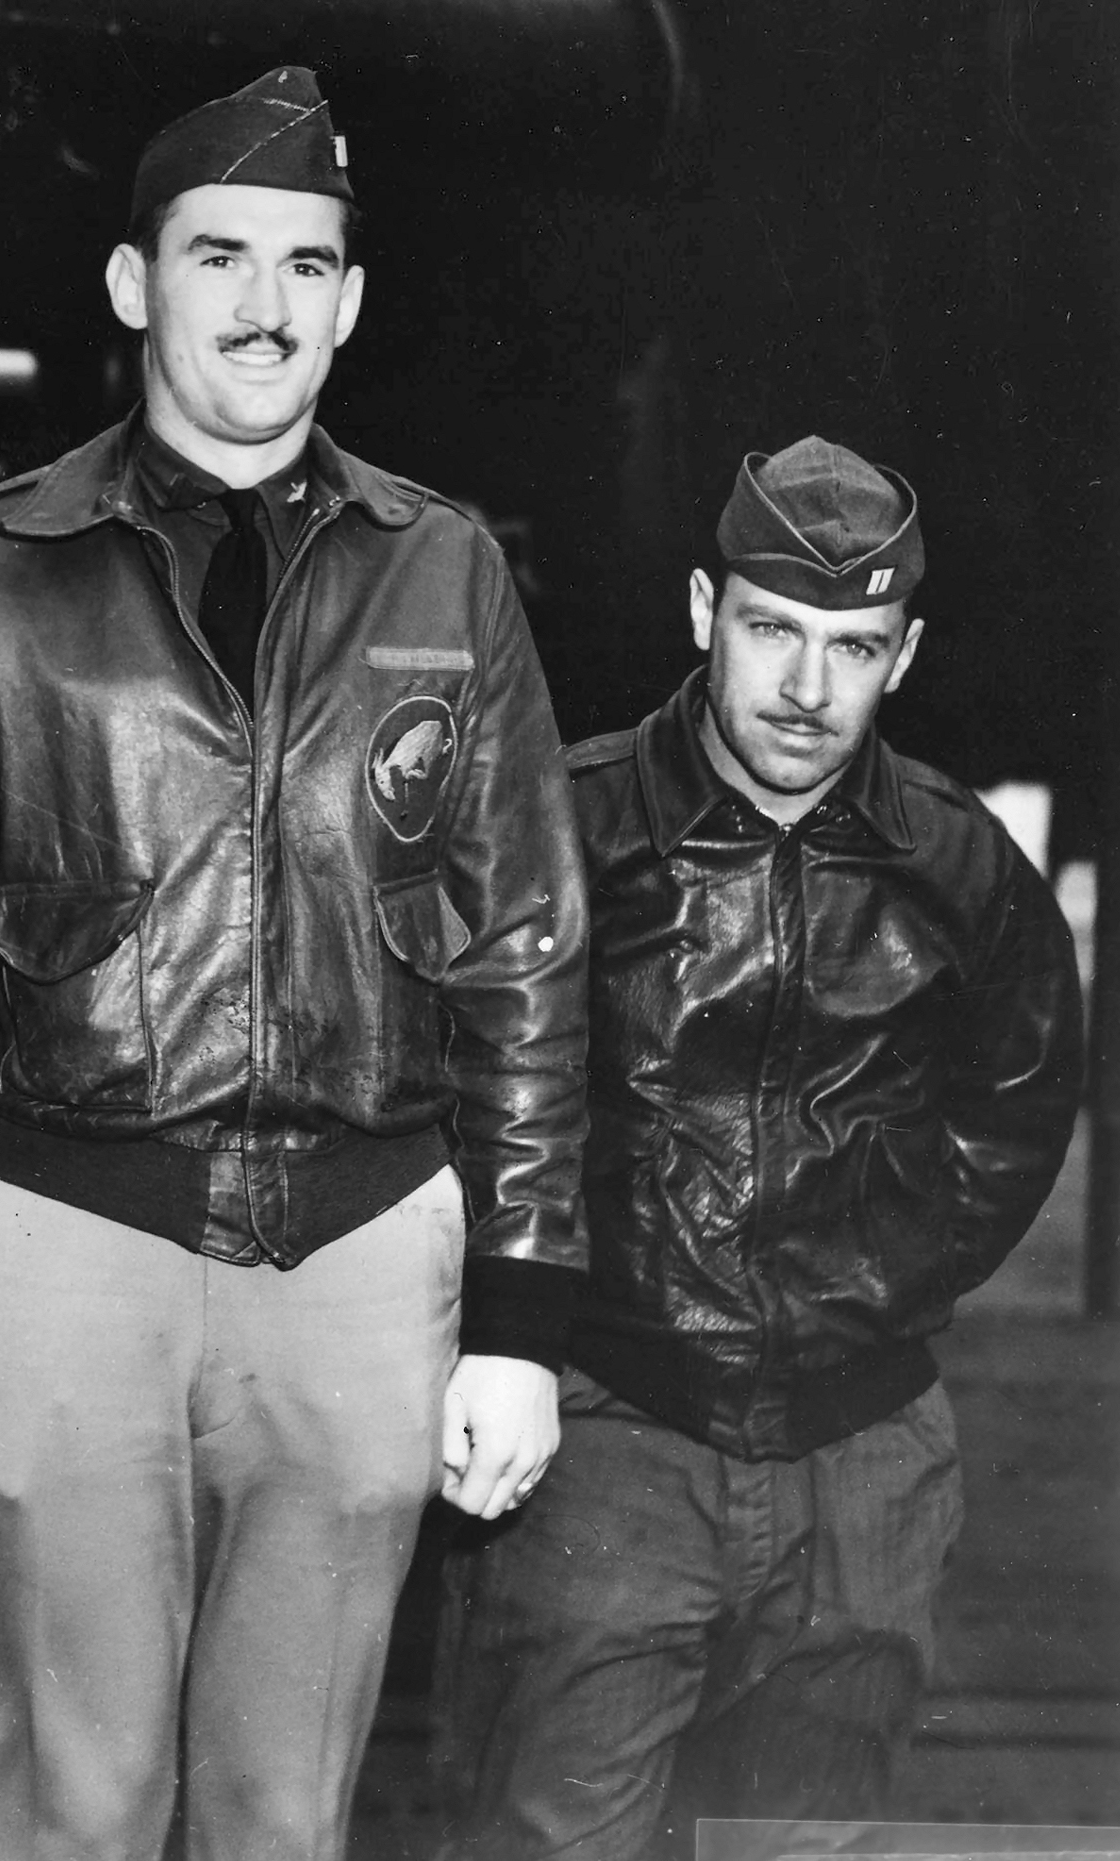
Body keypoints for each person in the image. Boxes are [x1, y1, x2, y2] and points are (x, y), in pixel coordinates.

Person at [0, 66, 591, 1860]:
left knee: (282, 1809)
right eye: (217, 254)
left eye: (305, 265)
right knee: (34, 1808)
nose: (263, 303)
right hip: (57, 1239)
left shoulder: (444, 576)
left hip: (360, 1253)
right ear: (132, 284)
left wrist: (524, 1318)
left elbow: (527, 956)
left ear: (351, 301)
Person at [433, 436, 1084, 1859]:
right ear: (699, 612)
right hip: (608, 1429)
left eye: (853, 646)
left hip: (868, 1451)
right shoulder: (569, 822)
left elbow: (1025, 1094)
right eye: (772, 628)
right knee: (551, 1832)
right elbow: (462, 1086)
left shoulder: (960, 865)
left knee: (807, 1842)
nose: (805, 686)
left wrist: (881, 1265)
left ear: (903, 655)